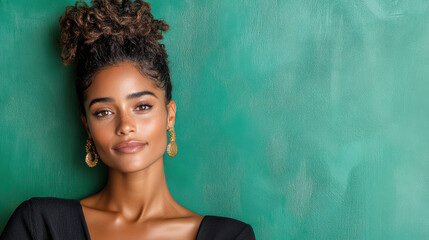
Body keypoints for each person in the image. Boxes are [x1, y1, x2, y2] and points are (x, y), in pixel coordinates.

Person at [0, 0, 255, 239]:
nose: (125, 126)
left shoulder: (229, 236)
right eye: (104, 112)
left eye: (142, 106)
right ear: (87, 125)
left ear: (170, 116)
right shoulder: (40, 226)